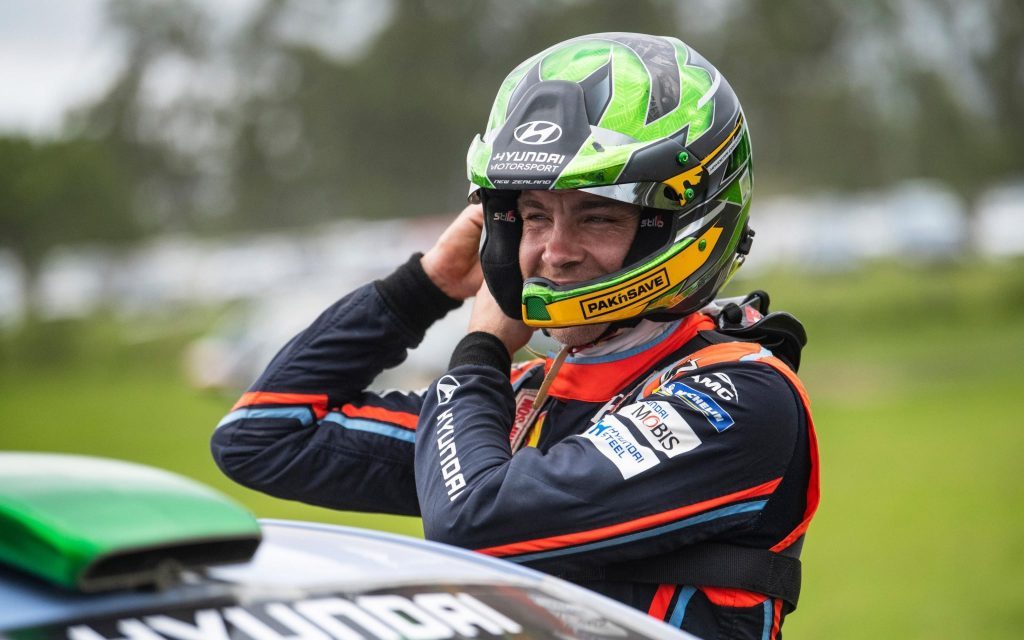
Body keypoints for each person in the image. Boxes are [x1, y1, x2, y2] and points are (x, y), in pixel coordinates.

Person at [213, 32, 819, 639]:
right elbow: (262, 436)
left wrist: (479, 353)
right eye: (533, 215)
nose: (554, 252)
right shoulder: (529, 392)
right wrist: (423, 287)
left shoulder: (740, 398)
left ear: (684, 220)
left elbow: (472, 524)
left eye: (598, 215)